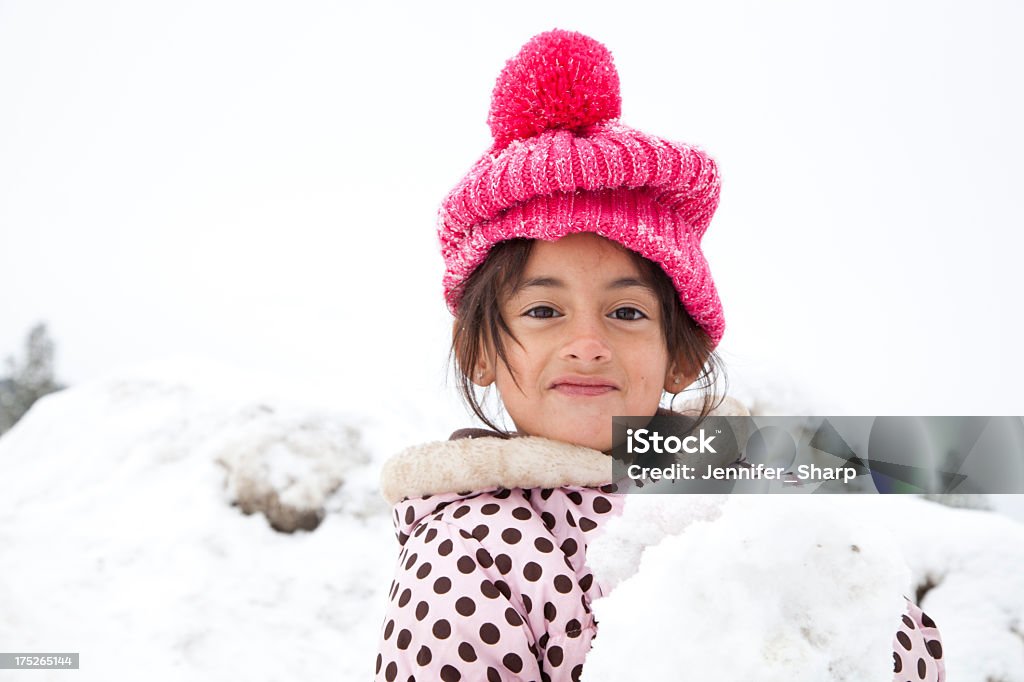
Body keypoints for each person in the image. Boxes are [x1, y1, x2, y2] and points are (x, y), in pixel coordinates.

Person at [374, 29, 944, 682]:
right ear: (478, 351)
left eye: (626, 313)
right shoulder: (469, 548)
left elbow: (900, 653)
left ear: (681, 356)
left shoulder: (756, 503)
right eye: (542, 311)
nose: (588, 344)